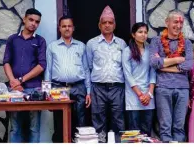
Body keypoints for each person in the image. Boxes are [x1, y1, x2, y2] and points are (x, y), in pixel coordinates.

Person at [45, 15, 91, 143]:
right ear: (59, 28)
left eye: (69, 26)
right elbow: (48, 70)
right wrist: (46, 92)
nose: (67, 28)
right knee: (60, 123)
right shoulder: (52, 46)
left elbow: (86, 70)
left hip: (79, 87)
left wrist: (88, 91)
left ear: (73, 28)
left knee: (80, 121)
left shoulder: (81, 46)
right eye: (64, 26)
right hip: (58, 88)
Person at [149, 10, 194, 142]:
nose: (178, 26)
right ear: (167, 22)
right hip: (163, 87)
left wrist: (163, 66)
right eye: (175, 22)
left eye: (181, 22)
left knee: (179, 126)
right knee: (165, 126)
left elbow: (189, 65)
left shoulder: (187, 43)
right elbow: (153, 62)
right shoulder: (156, 41)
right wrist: (177, 60)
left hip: (182, 88)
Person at [3, 8, 46, 143]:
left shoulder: (40, 41)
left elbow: (41, 66)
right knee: (15, 127)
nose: (34, 24)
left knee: (34, 128)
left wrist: (21, 80)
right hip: (15, 90)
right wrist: (13, 82)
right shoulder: (12, 39)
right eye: (31, 20)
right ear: (24, 19)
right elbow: (6, 62)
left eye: (37, 22)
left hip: (34, 89)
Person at [86, 6, 127, 143]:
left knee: (118, 119)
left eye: (110, 22)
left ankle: (117, 144)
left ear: (114, 25)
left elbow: (125, 67)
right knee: (98, 120)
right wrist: (88, 90)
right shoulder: (91, 44)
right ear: (99, 25)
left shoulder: (122, 44)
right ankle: (101, 144)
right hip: (98, 88)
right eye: (104, 23)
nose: (107, 25)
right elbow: (88, 67)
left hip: (117, 87)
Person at [122, 22, 156, 136]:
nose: (143, 35)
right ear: (133, 34)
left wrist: (149, 93)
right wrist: (140, 95)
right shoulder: (127, 51)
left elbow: (153, 72)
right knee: (134, 133)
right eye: (140, 32)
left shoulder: (150, 50)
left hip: (148, 96)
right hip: (133, 95)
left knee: (147, 131)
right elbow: (128, 75)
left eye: (145, 32)